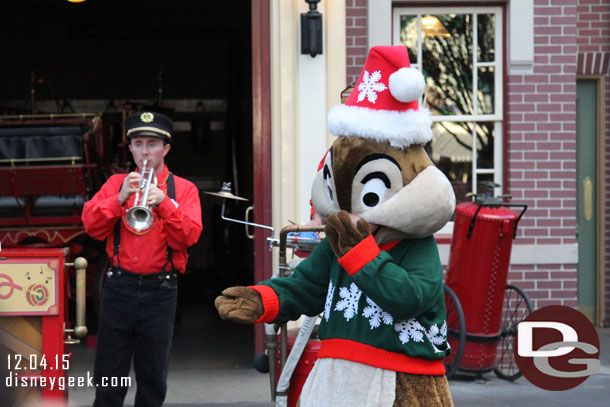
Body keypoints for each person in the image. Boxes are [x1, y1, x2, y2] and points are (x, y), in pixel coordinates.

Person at [82, 111, 203, 407]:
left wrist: (164, 204)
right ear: (131, 148)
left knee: (152, 379)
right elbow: (91, 226)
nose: (145, 152)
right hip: (119, 287)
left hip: (160, 291)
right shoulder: (116, 184)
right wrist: (118, 198)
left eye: (151, 144)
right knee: (109, 378)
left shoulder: (183, 189)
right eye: (138, 144)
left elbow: (189, 237)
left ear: (166, 148)